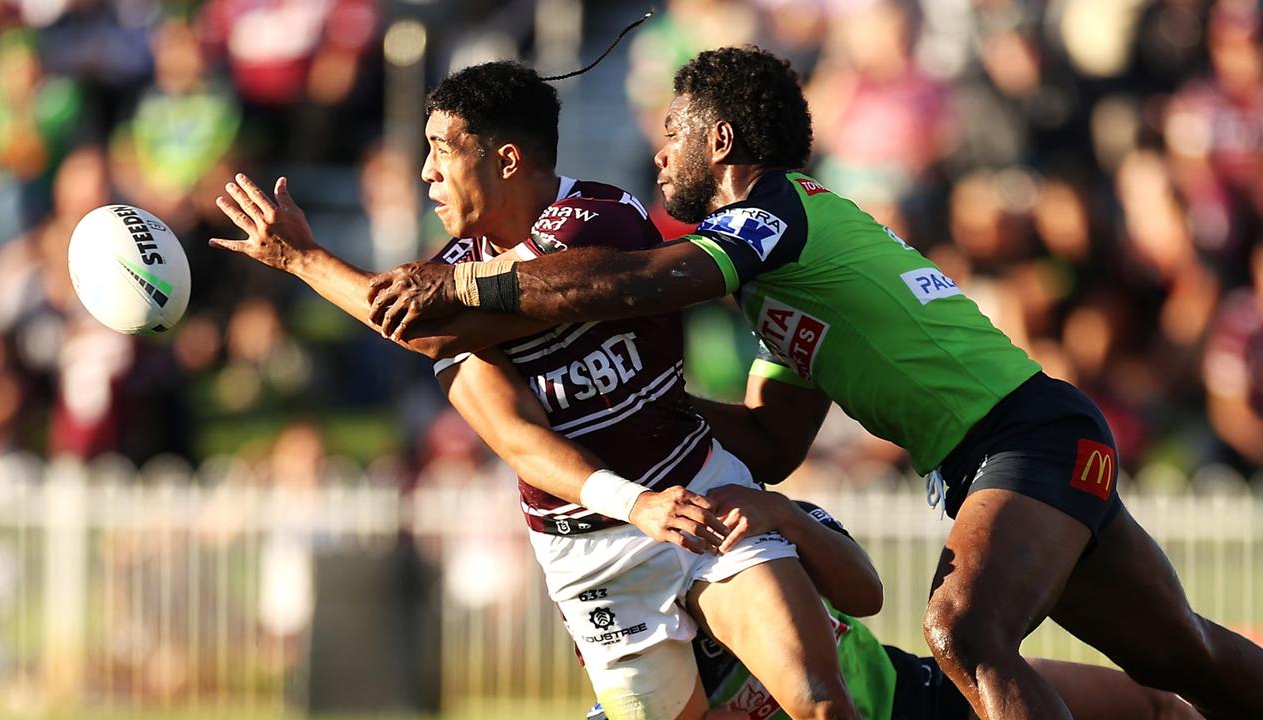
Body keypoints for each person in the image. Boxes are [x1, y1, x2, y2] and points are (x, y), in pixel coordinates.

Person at [366, 47, 1263, 719]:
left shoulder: (775, 214)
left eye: (674, 127)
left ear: (719, 139)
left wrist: (465, 282)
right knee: (1190, 661)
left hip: (1027, 437)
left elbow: (652, 280)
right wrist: (625, 408)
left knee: (964, 631)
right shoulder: (779, 280)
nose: (659, 145)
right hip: (1019, 449)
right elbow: (773, 443)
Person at [210, 61, 856, 720]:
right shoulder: (439, 279)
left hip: (700, 492)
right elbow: (518, 437)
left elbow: (460, 314)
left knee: (819, 702)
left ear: (508, 160)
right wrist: (635, 506)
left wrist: (306, 260)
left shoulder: (602, 219)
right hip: (590, 555)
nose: (426, 172)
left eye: (441, 150)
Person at [590, 484, 1204, 720]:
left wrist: (785, 516)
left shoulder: (758, 516)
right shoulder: (634, 603)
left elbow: (867, 593)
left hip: (914, 693)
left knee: (1155, 707)